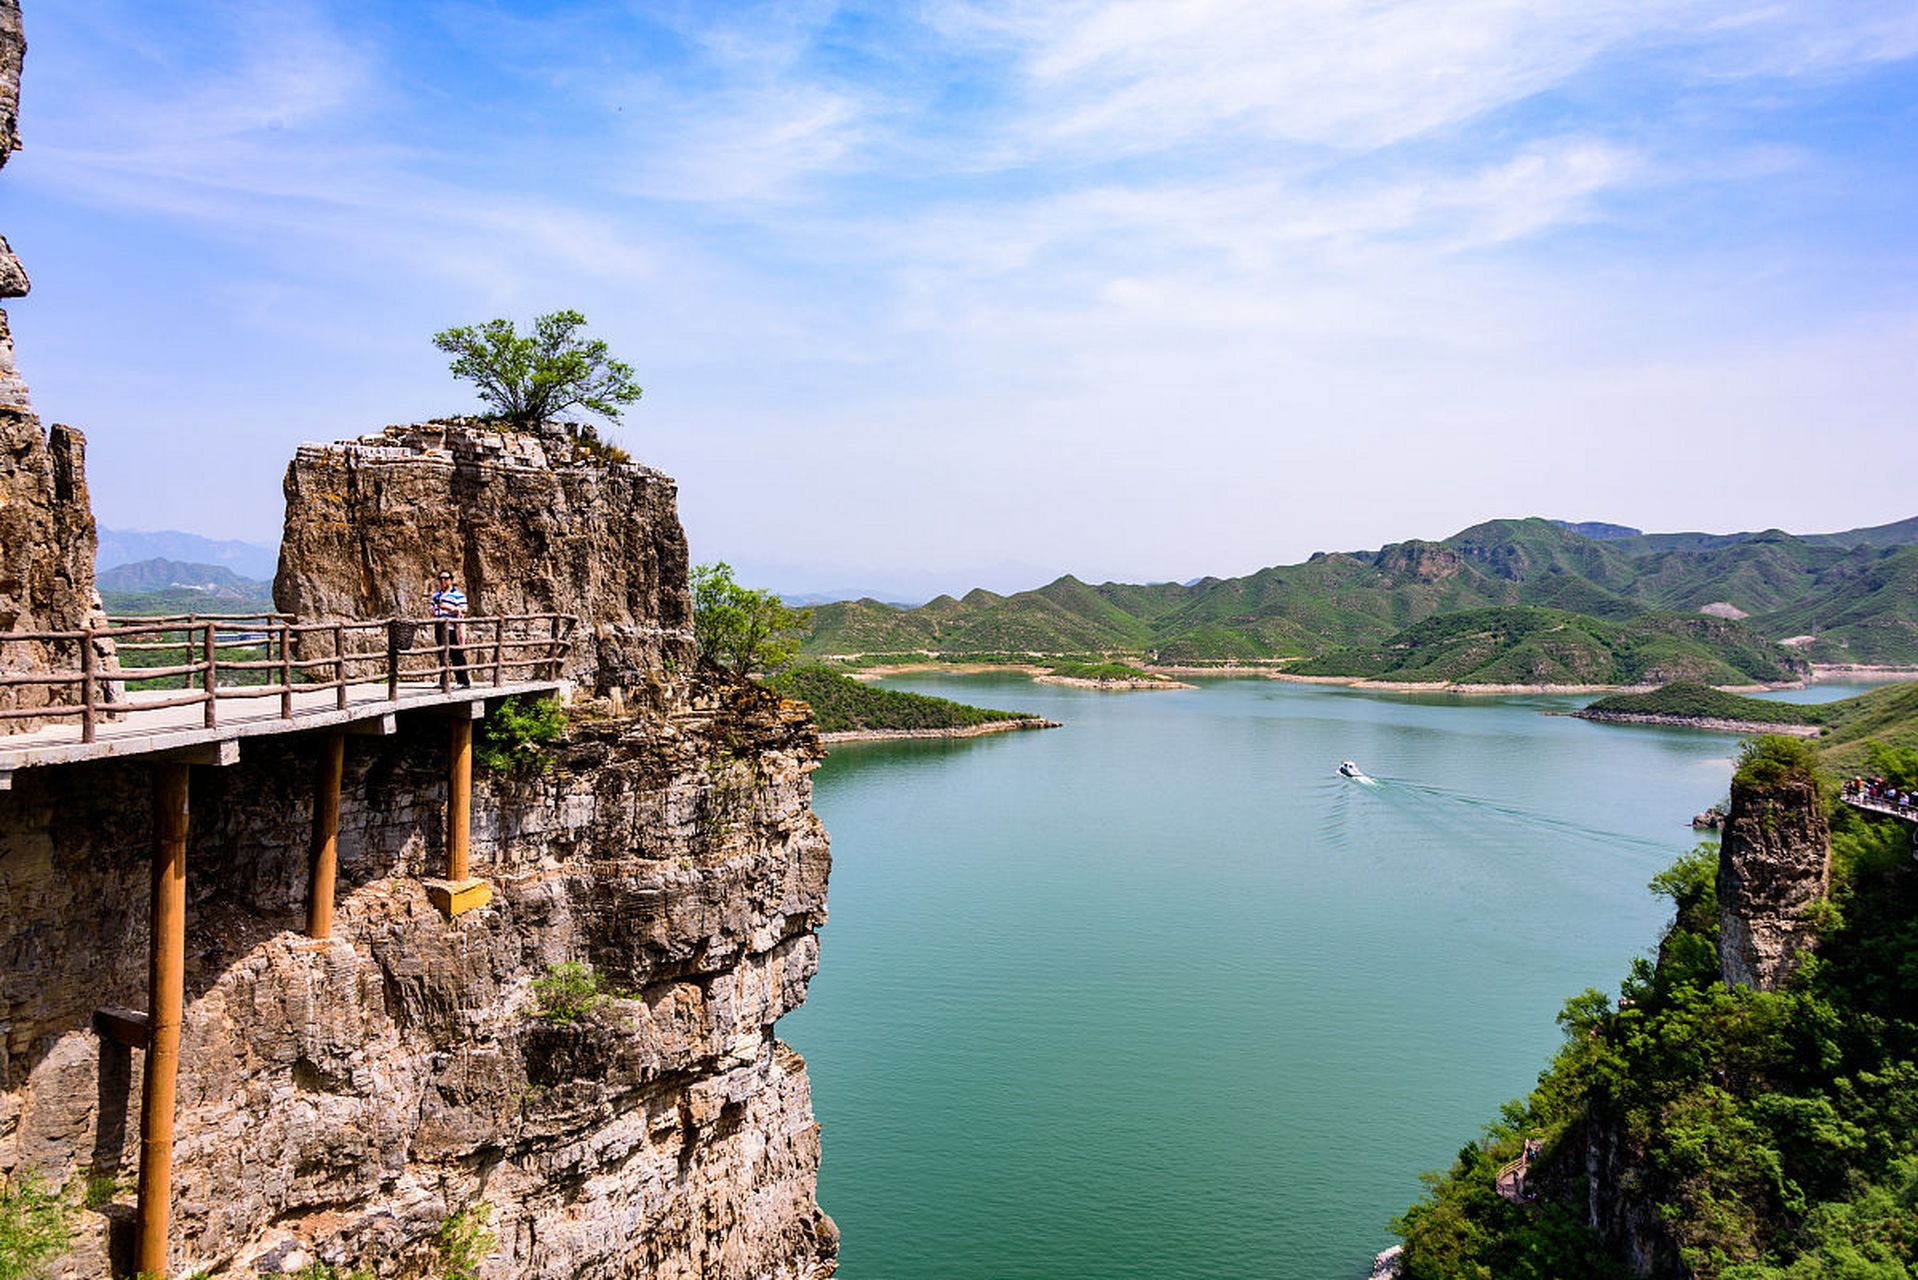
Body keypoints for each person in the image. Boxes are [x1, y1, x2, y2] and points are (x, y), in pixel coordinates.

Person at [431, 568, 472, 687]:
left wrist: (448, 609)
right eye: (441, 579)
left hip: (452, 626)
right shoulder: (436, 595)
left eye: (446, 578)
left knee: (456, 653)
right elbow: (433, 609)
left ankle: (463, 681)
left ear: (451, 580)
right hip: (439, 625)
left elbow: (464, 610)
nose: (443, 581)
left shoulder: (458, 595)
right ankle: (444, 681)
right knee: (442, 654)